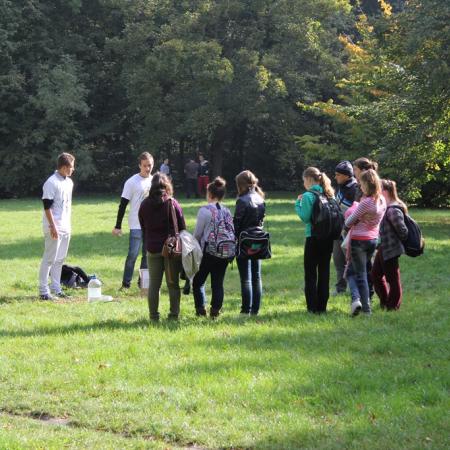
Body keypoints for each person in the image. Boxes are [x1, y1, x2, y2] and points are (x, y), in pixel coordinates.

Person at [138, 173, 186, 321]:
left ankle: (153, 316)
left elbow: (143, 226)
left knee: (154, 285)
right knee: (172, 284)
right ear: (167, 186)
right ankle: (173, 315)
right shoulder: (173, 203)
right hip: (171, 250)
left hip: (152, 248)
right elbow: (182, 226)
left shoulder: (144, 204)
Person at [344, 169, 386, 316]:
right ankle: (358, 301)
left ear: (367, 184)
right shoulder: (382, 200)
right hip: (373, 239)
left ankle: (366, 309)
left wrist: (355, 214)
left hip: (359, 241)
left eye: (361, 184)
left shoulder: (366, 202)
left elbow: (349, 222)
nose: (360, 187)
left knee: (360, 274)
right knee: (356, 271)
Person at [295, 167, 335, 314]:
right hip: (328, 238)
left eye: (303, 180)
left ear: (308, 179)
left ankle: (312, 307)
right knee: (324, 272)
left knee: (311, 273)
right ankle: (322, 307)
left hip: (313, 237)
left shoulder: (308, 195)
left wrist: (297, 204)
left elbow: (305, 217)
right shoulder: (329, 193)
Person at [192, 177, 233, 318]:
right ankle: (215, 311)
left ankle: (200, 310)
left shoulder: (204, 211)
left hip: (208, 252)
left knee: (198, 282)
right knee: (218, 283)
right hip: (225, 251)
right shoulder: (227, 211)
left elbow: (197, 233)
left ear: (210, 194)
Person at [112, 152, 154, 289]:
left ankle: (143, 283)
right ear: (139, 165)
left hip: (150, 225)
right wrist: (118, 225)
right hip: (136, 224)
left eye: (150, 165)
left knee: (147, 256)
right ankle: (125, 284)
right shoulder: (131, 182)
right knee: (132, 255)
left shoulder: (154, 181)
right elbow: (123, 204)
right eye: (145, 166)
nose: (147, 168)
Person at [38, 152, 76, 300]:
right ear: (65, 167)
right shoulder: (51, 182)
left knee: (60, 259)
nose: (73, 169)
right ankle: (43, 291)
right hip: (53, 227)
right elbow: (47, 207)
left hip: (66, 226)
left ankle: (56, 288)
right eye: (71, 167)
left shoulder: (69, 183)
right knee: (49, 259)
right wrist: (53, 227)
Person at [371, 179, 408, 310]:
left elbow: (403, 231)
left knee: (392, 279)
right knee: (375, 275)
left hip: (391, 248)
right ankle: (385, 301)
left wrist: (394, 240)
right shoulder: (385, 207)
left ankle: (393, 306)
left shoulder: (393, 209)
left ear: (385, 191)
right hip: (383, 248)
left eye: (378, 189)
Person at [234, 170, 265, 315]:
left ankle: (245, 310)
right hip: (258, 239)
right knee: (257, 276)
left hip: (244, 240)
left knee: (245, 278)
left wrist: (234, 237)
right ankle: (255, 310)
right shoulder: (260, 197)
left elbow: (237, 222)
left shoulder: (242, 200)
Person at [332, 161, 358, 295]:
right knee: (338, 260)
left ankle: (358, 290)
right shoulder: (340, 187)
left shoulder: (356, 188)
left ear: (347, 176)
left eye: (338, 175)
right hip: (337, 230)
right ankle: (340, 288)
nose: (335, 177)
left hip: (349, 231)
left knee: (352, 262)